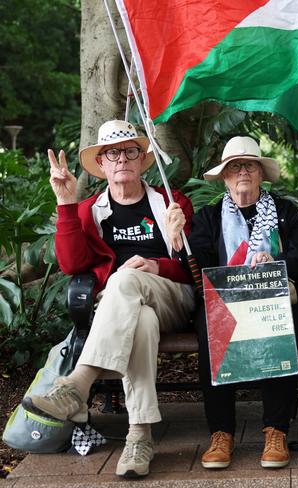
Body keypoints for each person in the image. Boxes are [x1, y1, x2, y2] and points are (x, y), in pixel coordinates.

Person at [22, 120, 195, 477]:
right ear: (101, 164)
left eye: (131, 151)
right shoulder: (90, 210)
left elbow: (193, 270)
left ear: (142, 159)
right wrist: (66, 203)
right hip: (127, 311)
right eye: (113, 153)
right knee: (140, 320)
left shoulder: (171, 202)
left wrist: (163, 260)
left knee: (126, 278)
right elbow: (73, 264)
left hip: (172, 299)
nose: (122, 159)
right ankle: (139, 435)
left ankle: (78, 383)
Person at [165, 136, 298, 470]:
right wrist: (177, 242)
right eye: (235, 166)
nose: (242, 171)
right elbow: (195, 265)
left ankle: (276, 430)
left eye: (250, 165)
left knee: (278, 325)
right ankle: (221, 433)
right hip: (224, 303)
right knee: (210, 327)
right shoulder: (209, 217)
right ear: (225, 177)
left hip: (274, 297)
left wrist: (275, 258)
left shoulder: (286, 213)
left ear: (261, 173)